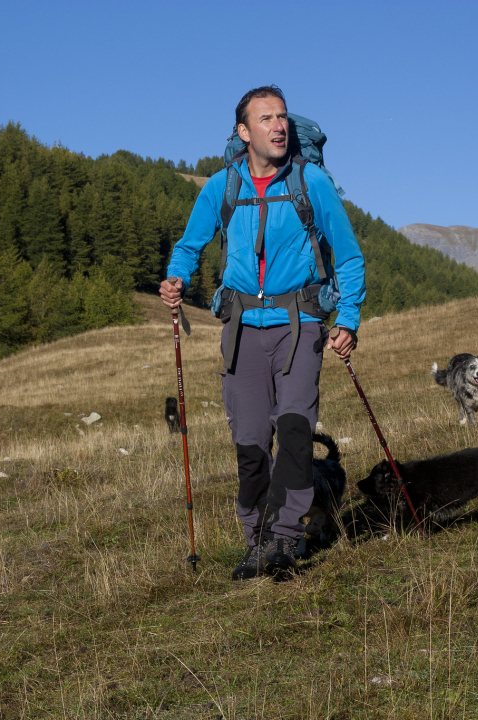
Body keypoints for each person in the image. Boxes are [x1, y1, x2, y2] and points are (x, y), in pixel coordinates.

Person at [159, 85, 365, 580]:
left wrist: (349, 318)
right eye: (266, 118)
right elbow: (190, 246)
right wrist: (175, 276)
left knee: (294, 430)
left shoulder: (310, 182)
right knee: (250, 444)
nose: (278, 126)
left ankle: (284, 540)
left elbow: (350, 255)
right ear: (243, 131)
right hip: (241, 330)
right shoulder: (222, 187)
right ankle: (256, 539)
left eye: (282, 118)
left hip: (301, 325)